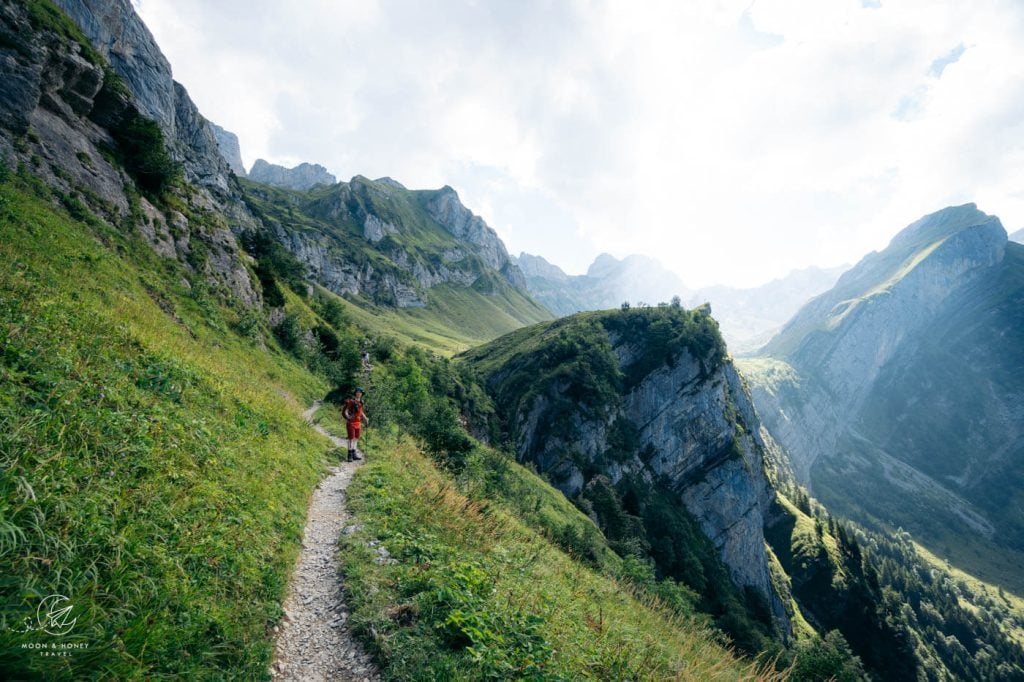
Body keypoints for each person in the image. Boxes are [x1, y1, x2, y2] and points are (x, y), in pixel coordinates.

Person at [342, 388, 368, 462]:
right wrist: (348, 417)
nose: (359, 394)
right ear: (355, 393)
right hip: (351, 423)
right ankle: (349, 455)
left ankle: (354, 454)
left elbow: (361, 412)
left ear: (362, 394)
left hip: (358, 423)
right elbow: (346, 410)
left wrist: (365, 418)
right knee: (351, 439)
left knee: (356, 438)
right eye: (357, 392)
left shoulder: (361, 402)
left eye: (360, 393)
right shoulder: (351, 401)